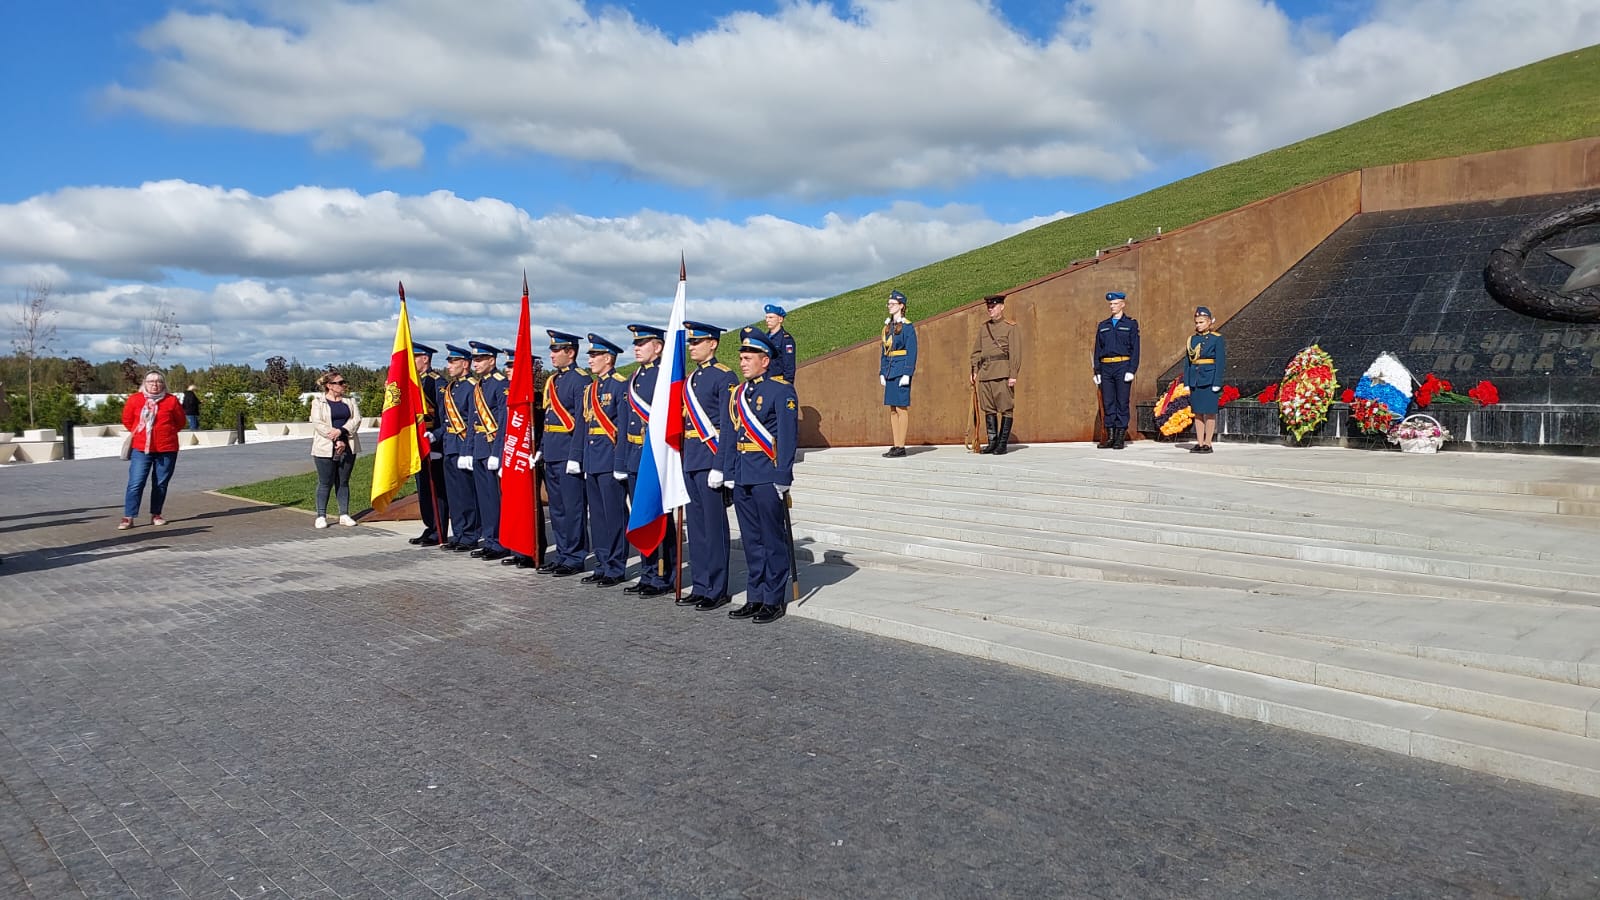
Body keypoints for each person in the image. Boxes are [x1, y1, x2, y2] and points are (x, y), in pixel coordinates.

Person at [714, 328, 798, 623]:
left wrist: (783, 475)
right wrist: (727, 472)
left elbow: (787, 437)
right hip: (743, 475)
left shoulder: (781, 390)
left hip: (766, 475)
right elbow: (730, 436)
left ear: (765, 360)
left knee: (771, 539)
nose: (743, 362)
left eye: (748, 357)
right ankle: (755, 595)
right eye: (741, 357)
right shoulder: (738, 393)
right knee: (751, 539)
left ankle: (773, 599)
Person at [679, 321, 738, 609]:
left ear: (712, 343)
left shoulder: (724, 376)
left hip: (709, 458)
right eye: (691, 342)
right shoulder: (691, 379)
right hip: (691, 457)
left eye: (697, 342)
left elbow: (728, 425)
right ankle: (701, 584)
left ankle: (716, 587)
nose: (692, 346)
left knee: (714, 528)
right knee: (698, 528)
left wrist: (721, 465)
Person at [615, 323, 675, 596]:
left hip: (655, 459)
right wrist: (621, 462)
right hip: (635, 458)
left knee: (658, 518)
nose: (636, 348)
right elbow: (625, 423)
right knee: (641, 518)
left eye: (642, 343)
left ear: (658, 347)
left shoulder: (665, 377)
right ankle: (648, 572)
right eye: (635, 344)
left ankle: (663, 574)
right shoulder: (634, 377)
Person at [539, 331, 591, 576]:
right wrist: (541, 449)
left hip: (568, 451)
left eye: (556, 350)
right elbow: (548, 418)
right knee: (558, 509)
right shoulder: (554, 380)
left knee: (573, 508)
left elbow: (582, 420)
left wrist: (576, 455)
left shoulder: (580, 380)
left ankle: (575, 556)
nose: (552, 354)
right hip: (552, 450)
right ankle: (562, 553)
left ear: (570, 353)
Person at [581, 334, 629, 586]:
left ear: (608, 358)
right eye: (589, 355)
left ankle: (615, 566)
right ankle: (602, 562)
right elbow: (584, 426)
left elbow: (622, 427)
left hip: (610, 459)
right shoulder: (591, 388)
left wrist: (620, 462)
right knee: (597, 516)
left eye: (594, 355)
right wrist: (578, 458)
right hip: (593, 459)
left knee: (614, 516)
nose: (589, 360)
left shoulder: (620, 385)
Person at [119, 371, 186, 529]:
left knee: (160, 484)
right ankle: (129, 516)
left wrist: (165, 433)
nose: (155, 384)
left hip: (166, 448)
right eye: (151, 381)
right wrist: (143, 433)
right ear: (144, 383)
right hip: (141, 449)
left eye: (158, 381)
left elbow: (180, 422)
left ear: (163, 384)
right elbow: (127, 420)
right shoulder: (135, 399)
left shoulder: (171, 400)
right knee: (136, 482)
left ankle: (156, 514)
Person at [466, 341, 510, 560]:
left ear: (492, 361)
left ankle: (500, 542)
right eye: (474, 360)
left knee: (495, 499)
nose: (476, 364)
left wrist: (497, 452)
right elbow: (473, 421)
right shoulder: (479, 386)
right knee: (484, 499)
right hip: (479, 448)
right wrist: (468, 451)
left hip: (493, 448)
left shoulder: (501, 384)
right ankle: (490, 539)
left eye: (480, 359)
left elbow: (503, 421)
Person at [309, 370, 364, 529]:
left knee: (343, 481)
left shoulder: (350, 401)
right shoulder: (318, 402)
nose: (342, 385)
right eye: (338, 383)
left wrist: (342, 432)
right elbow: (318, 424)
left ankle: (344, 514)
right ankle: (321, 515)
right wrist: (335, 438)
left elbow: (356, 419)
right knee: (325, 482)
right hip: (325, 447)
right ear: (329, 386)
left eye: (343, 382)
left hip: (348, 446)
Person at [439, 344, 480, 552]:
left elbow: (473, 419)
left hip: (464, 446)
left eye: (452, 361)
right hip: (450, 446)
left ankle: (470, 534)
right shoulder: (451, 388)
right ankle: (459, 532)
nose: (449, 365)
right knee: (454, 495)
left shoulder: (473, 386)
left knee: (466, 494)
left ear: (465, 364)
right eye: (449, 361)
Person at [970, 293, 1021, 455]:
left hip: (1002, 372)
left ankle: (1002, 443)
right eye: (988, 307)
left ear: (1002, 307)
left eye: (993, 306)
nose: (990, 309)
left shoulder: (1010, 327)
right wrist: (974, 370)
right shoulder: (984, 328)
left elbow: (1016, 352)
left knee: (1006, 408)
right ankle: (992, 442)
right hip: (985, 373)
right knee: (989, 409)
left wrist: (1013, 374)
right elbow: (976, 351)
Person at [409, 344, 450, 546]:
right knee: (423, 488)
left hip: (433, 444)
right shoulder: (415, 383)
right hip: (418, 442)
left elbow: (445, 417)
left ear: (425, 359)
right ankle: (429, 525)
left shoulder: (437, 383)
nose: (412, 361)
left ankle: (439, 530)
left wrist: (437, 439)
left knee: (436, 489)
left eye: (415, 357)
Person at [1093, 291, 1141, 450]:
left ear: (1122, 304)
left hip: (1123, 365)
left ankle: (1120, 436)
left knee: (1122, 401)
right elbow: (1097, 350)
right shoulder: (1103, 325)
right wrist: (1097, 372)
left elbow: (1135, 349)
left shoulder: (1131, 324)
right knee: (1108, 402)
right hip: (1106, 367)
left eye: (1115, 303)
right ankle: (1110, 436)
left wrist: (1132, 369)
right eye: (1110, 304)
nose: (1112, 306)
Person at [879, 290, 918, 458]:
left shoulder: (907, 327)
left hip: (901, 370)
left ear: (901, 306)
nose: (889, 306)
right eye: (889, 304)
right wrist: (882, 372)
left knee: (902, 408)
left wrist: (907, 373)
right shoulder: (888, 328)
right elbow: (883, 350)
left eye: (892, 304)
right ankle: (895, 444)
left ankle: (901, 445)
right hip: (889, 371)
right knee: (893, 409)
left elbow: (912, 351)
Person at [1184, 306, 1227, 453]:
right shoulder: (1192, 340)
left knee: (1209, 412)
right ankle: (1200, 442)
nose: (1198, 325)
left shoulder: (1216, 339)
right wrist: (1187, 382)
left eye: (1201, 322)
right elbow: (1188, 362)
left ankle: (1208, 443)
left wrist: (1217, 382)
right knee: (1197, 412)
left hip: (1209, 379)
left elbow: (1220, 362)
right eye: (1197, 322)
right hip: (1195, 379)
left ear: (1209, 322)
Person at [763, 304, 798, 385]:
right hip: (765, 382)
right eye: (766, 317)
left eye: (771, 317)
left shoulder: (786, 340)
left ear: (780, 319)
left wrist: (787, 386)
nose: (767, 320)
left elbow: (789, 366)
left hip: (778, 382)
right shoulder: (764, 338)